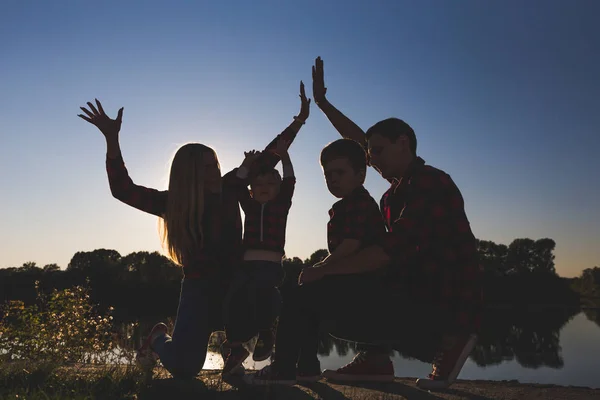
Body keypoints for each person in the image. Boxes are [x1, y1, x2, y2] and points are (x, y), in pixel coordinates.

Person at [246, 58, 482, 390]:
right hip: (408, 294)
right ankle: (374, 359)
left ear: (404, 143)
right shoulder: (393, 195)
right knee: (321, 285)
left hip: (437, 303)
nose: (372, 160)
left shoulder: (429, 183)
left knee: (309, 289)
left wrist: (324, 270)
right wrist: (324, 105)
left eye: (378, 152)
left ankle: (449, 339)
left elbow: (389, 251)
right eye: (371, 154)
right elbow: (361, 148)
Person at [77, 83, 310, 380]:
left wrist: (300, 119)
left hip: (235, 284)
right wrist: (112, 139)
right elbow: (123, 190)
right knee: (186, 368)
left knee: (269, 298)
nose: (215, 172)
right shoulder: (172, 203)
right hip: (198, 289)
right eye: (207, 168)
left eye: (215, 164)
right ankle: (157, 338)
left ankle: (234, 348)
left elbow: (270, 156)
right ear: (189, 176)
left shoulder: (230, 188)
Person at [220, 139, 297, 377]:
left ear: (278, 188)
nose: (264, 187)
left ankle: (266, 334)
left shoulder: (281, 205)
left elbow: (290, 181)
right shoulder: (250, 206)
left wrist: (284, 157)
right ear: (252, 190)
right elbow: (236, 185)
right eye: (259, 183)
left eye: (270, 183)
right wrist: (246, 164)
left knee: (261, 291)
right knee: (234, 297)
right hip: (247, 264)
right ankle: (235, 347)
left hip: (270, 265)